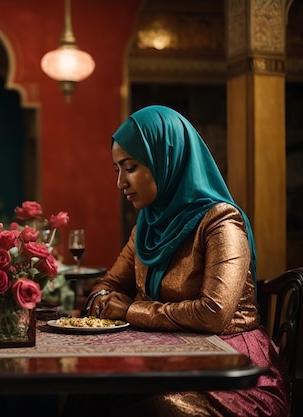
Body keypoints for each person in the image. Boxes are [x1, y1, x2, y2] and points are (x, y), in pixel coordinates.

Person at [62, 105, 290, 417]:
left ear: (166, 159)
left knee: (150, 408)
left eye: (130, 167)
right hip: (165, 358)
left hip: (230, 369)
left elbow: (214, 314)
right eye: (117, 170)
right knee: (85, 396)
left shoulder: (221, 222)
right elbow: (107, 285)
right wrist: (103, 298)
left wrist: (129, 310)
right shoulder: (146, 226)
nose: (121, 183)